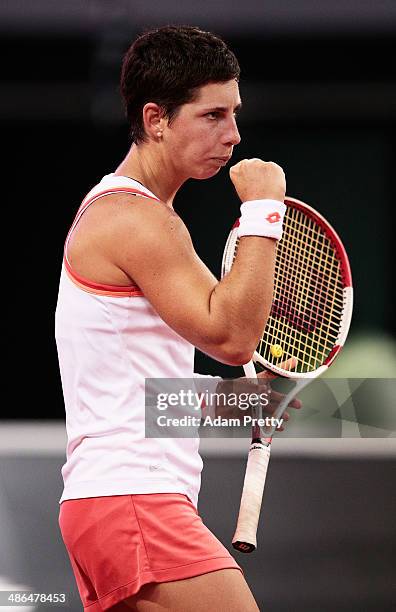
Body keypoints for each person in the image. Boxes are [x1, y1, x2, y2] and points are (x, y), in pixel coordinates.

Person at [56, 25, 299, 611]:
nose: (234, 135)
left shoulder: (137, 217)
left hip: (110, 505)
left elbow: (140, 400)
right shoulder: (137, 220)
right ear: (157, 119)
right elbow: (234, 336)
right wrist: (266, 209)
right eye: (213, 115)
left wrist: (246, 401)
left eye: (235, 114)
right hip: (132, 500)